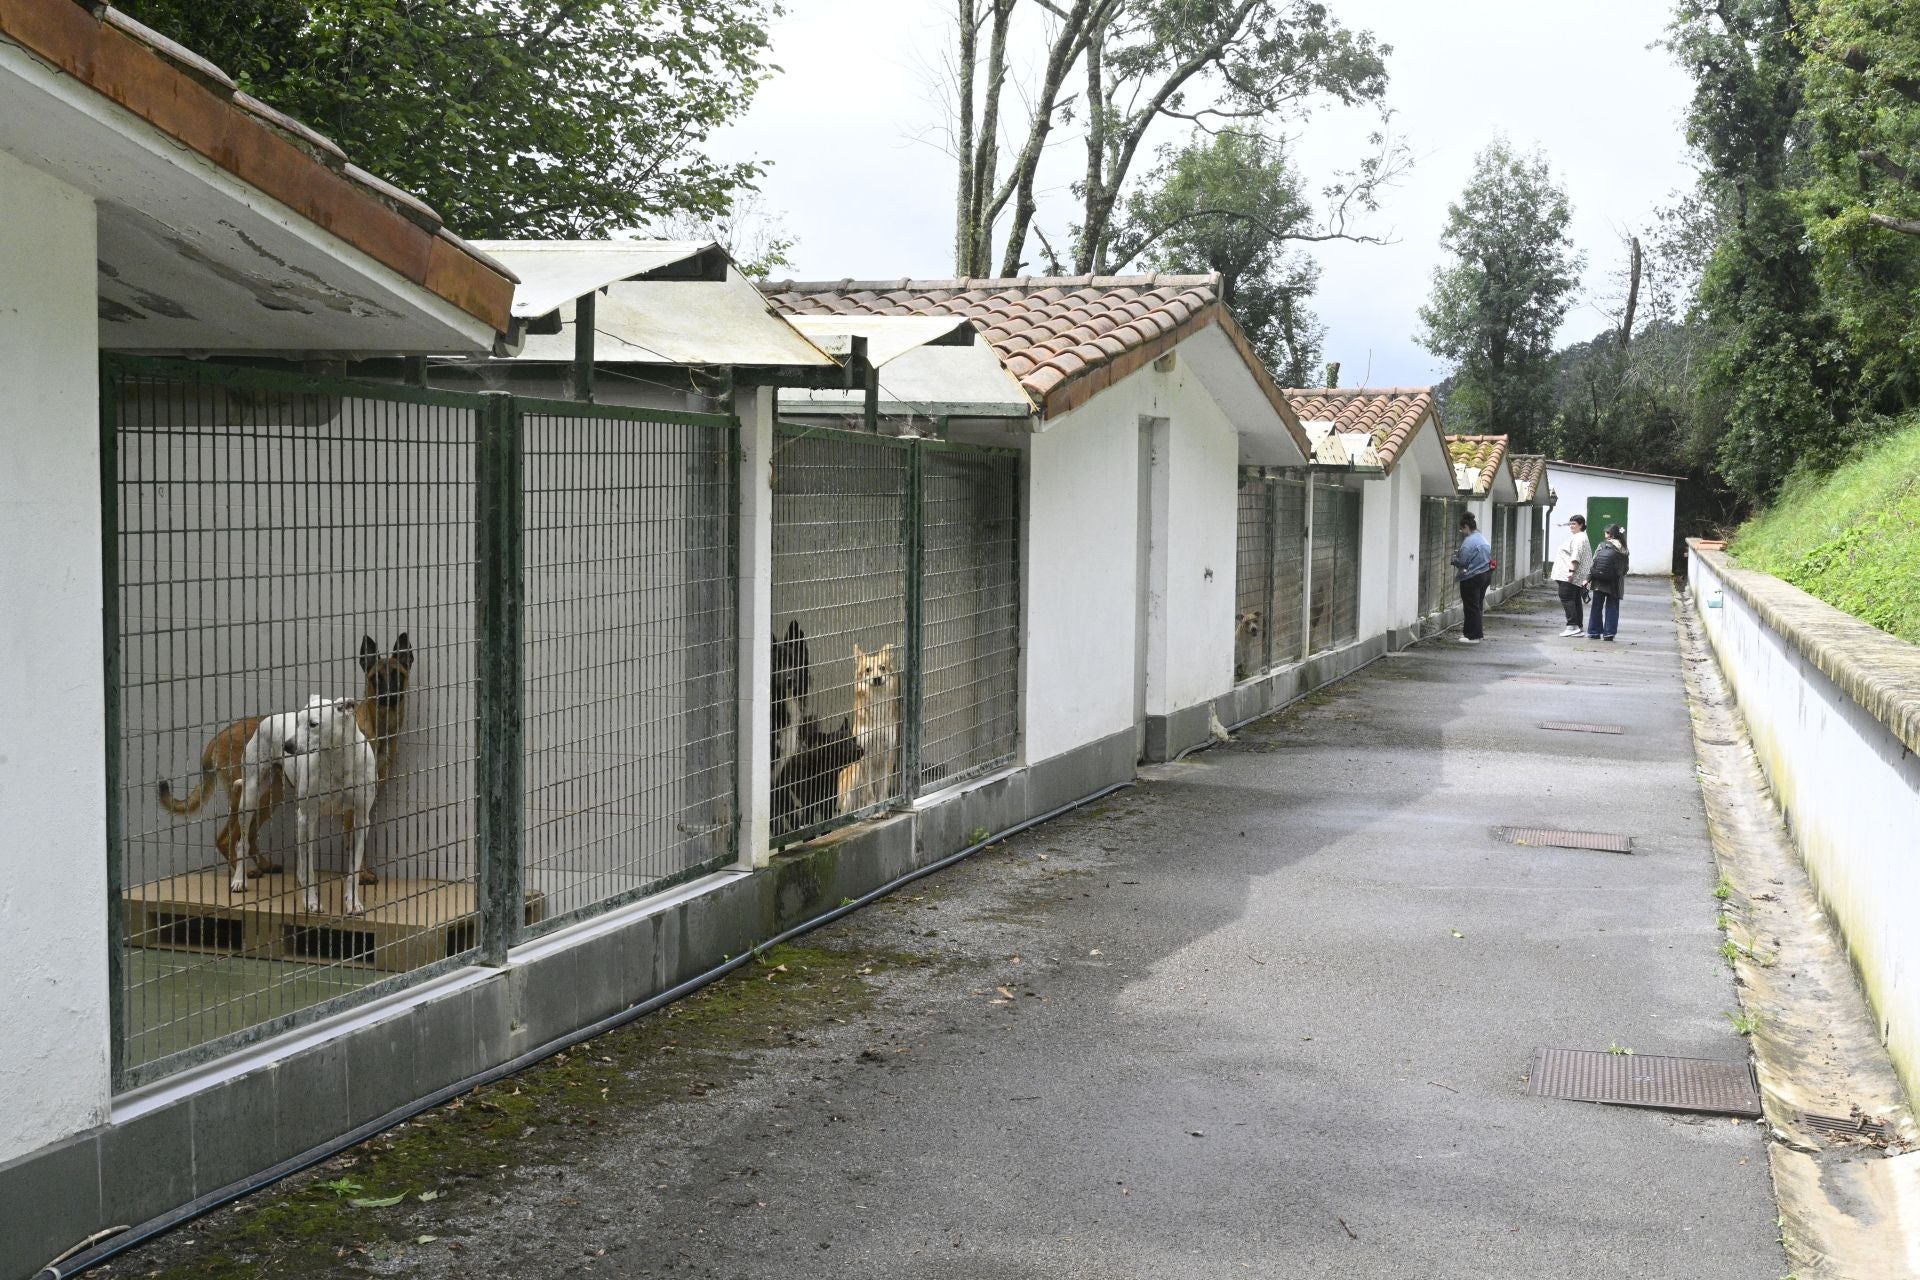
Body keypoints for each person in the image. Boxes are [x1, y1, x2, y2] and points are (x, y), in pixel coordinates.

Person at [1452, 512, 1494, 644]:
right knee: (1477, 606)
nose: (1461, 532)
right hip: (1485, 575)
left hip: (1472, 577)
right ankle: (1476, 633)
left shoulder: (1468, 542)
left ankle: (1472, 636)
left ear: (1466, 527)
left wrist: (1454, 559)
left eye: (1461, 529)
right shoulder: (1482, 538)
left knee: (1470, 607)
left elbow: (1462, 562)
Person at [1549, 514, 1593, 637]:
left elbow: (1575, 557)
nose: (1571, 526)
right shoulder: (1580, 536)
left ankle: (1572, 626)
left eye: (1574, 524)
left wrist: (1571, 572)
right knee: (1574, 600)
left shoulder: (1579, 538)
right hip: (1574, 575)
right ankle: (1578, 627)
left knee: (1566, 597)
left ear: (1581, 525)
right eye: (1570, 523)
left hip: (1569, 575)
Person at [1586, 524, 1630, 641]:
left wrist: (1588, 578)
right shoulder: (1624, 548)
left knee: (1597, 606)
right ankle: (1609, 633)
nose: (1605, 534)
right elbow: (1625, 569)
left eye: (1606, 532)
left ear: (1610, 534)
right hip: (1615, 583)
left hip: (1599, 581)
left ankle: (1594, 632)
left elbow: (1594, 563)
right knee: (1612, 607)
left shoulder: (1602, 545)